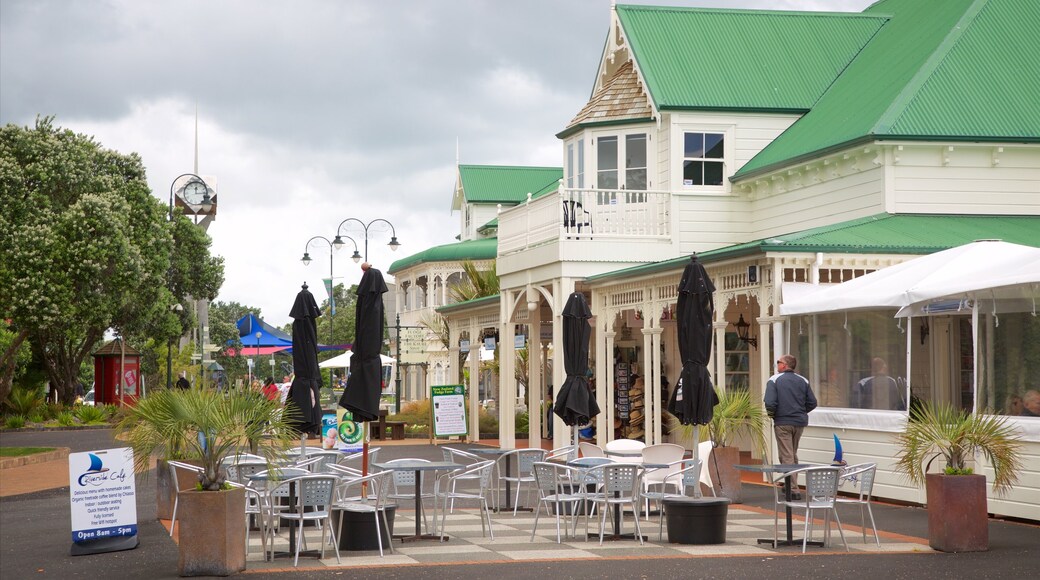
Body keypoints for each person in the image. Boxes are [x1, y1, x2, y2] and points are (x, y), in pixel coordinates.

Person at [764, 354, 817, 465]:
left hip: (783, 423)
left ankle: (791, 483)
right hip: (799, 422)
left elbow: (770, 403)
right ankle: (792, 481)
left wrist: (774, 415)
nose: (776, 365)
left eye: (778, 362)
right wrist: (800, 411)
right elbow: (812, 402)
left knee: (787, 455)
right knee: (791, 454)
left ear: (784, 365)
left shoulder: (774, 380)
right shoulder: (803, 380)